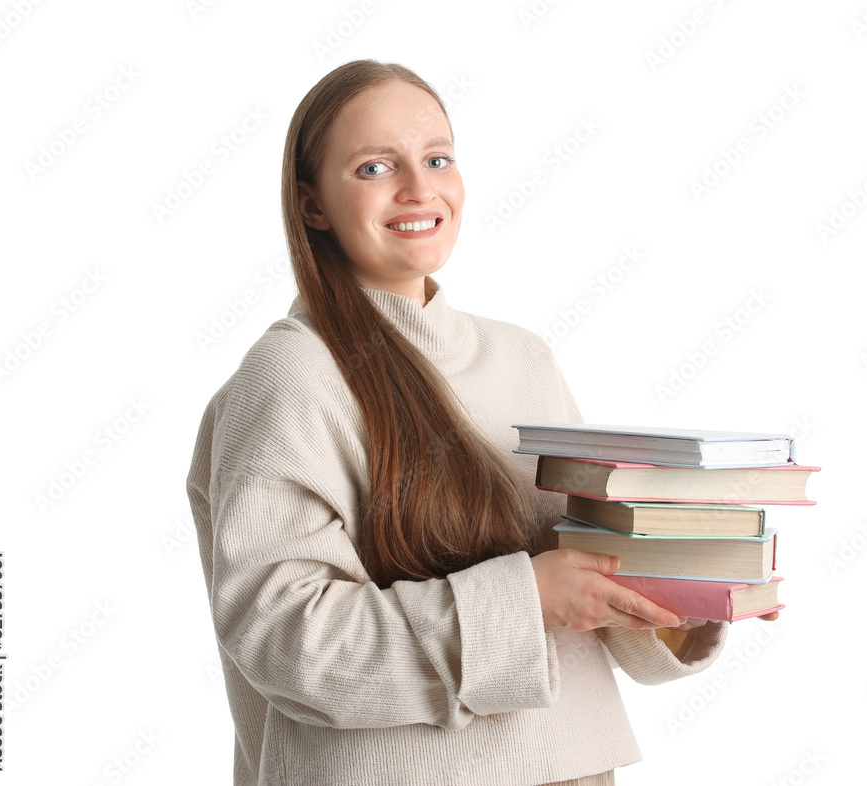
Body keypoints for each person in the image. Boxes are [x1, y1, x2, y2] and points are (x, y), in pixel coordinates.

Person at [186, 58, 758, 786]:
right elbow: (288, 645)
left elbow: (578, 580)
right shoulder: (292, 377)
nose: (420, 188)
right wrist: (532, 597)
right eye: (373, 167)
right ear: (312, 205)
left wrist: (682, 588)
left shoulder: (523, 357)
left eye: (437, 158)